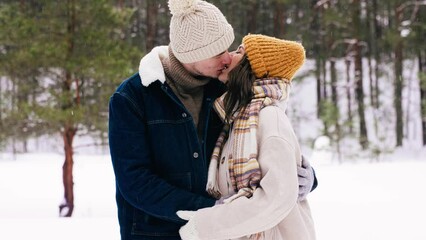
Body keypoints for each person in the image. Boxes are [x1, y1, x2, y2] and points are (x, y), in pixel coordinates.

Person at [108, 0, 317, 239]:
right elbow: (135, 181)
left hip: (219, 232)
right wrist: (207, 211)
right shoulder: (132, 98)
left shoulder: (226, 89)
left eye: (228, 49)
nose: (227, 58)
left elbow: (267, 144)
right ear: (192, 55)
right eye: (218, 53)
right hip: (157, 232)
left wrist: (306, 177)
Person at [176, 34, 316, 240]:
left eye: (239, 51)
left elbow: (276, 197)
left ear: (254, 68)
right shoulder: (238, 118)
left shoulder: (268, 118)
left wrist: (207, 225)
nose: (230, 55)